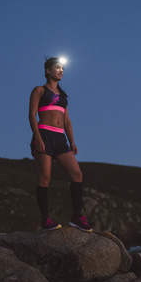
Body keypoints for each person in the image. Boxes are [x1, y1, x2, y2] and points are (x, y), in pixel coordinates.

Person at [29, 57, 92, 232]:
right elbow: (31, 115)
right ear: (48, 70)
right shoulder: (39, 90)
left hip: (60, 140)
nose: (61, 70)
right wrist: (38, 138)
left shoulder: (63, 97)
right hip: (44, 135)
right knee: (44, 179)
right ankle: (45, 221)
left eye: (63, 68)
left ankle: (77, 217)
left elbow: (67, 121)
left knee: (77, 174)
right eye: (57, 67)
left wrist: (72, 140)